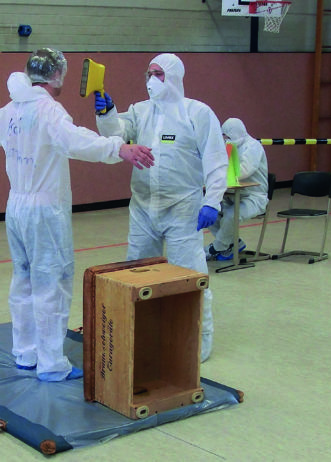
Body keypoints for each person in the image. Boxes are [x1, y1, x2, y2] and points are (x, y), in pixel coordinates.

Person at [0, 48, 154, 382]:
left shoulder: (11, 109)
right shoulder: (47, 110)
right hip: (45, 210)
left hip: (16, 208)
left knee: (24, 280)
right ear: (56, 75)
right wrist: (120, 147)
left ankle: (25, 353)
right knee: (51, 283)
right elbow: (76, 141)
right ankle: (52, 363)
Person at [93, 53, 229, 362]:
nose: (151, 79)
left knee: (189, 277)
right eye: (148, 73)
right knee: (137, 274)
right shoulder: (140, 111)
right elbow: (116, 133)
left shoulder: (197, 113)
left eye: (158, 74)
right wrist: (107, 113)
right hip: (143, 207)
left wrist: (212, 201)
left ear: (174, 77)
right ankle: (140, 336)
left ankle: (197, 344)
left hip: (184, 209)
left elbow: (216, 160)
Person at [205, 118, 268, 261]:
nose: (225, 139)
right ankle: (234, 243)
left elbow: (244, 171)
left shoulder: (253, 147)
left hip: (254, 197)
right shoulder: (230, 147)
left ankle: (217, 247)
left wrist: (221, 173)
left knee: (231, 215)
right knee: (208, 209)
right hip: (232, 195)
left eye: (227, 136)